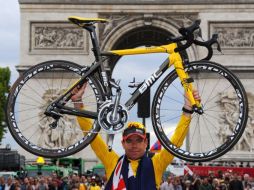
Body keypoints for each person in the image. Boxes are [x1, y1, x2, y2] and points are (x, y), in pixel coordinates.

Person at [71, 84, 200, 190]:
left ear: (146, 143)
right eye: (129, 140)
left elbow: (175, 142)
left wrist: (187, 110)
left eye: (138, 140)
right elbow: (92, 137)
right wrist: (77, 102)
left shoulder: (157, 163)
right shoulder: (112, 160)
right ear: (123, 143)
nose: (134, 144)